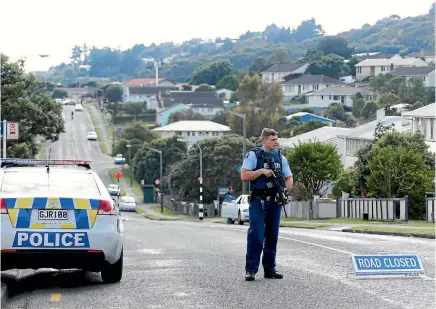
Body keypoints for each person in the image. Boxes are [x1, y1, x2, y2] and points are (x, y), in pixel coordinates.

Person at [241, 128, 293, 281]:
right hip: (258, 201)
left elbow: (289, 177)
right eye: (272, 140)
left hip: (274, 202)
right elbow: (244, 175)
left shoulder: (280, 158)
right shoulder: (254, 155)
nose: (275, 142)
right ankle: (251, 270)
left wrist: (285, 189)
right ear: (264, 140)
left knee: (272, 236)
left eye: (276, 139)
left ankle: (270, 269)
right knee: (256, 234)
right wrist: (261, 171)